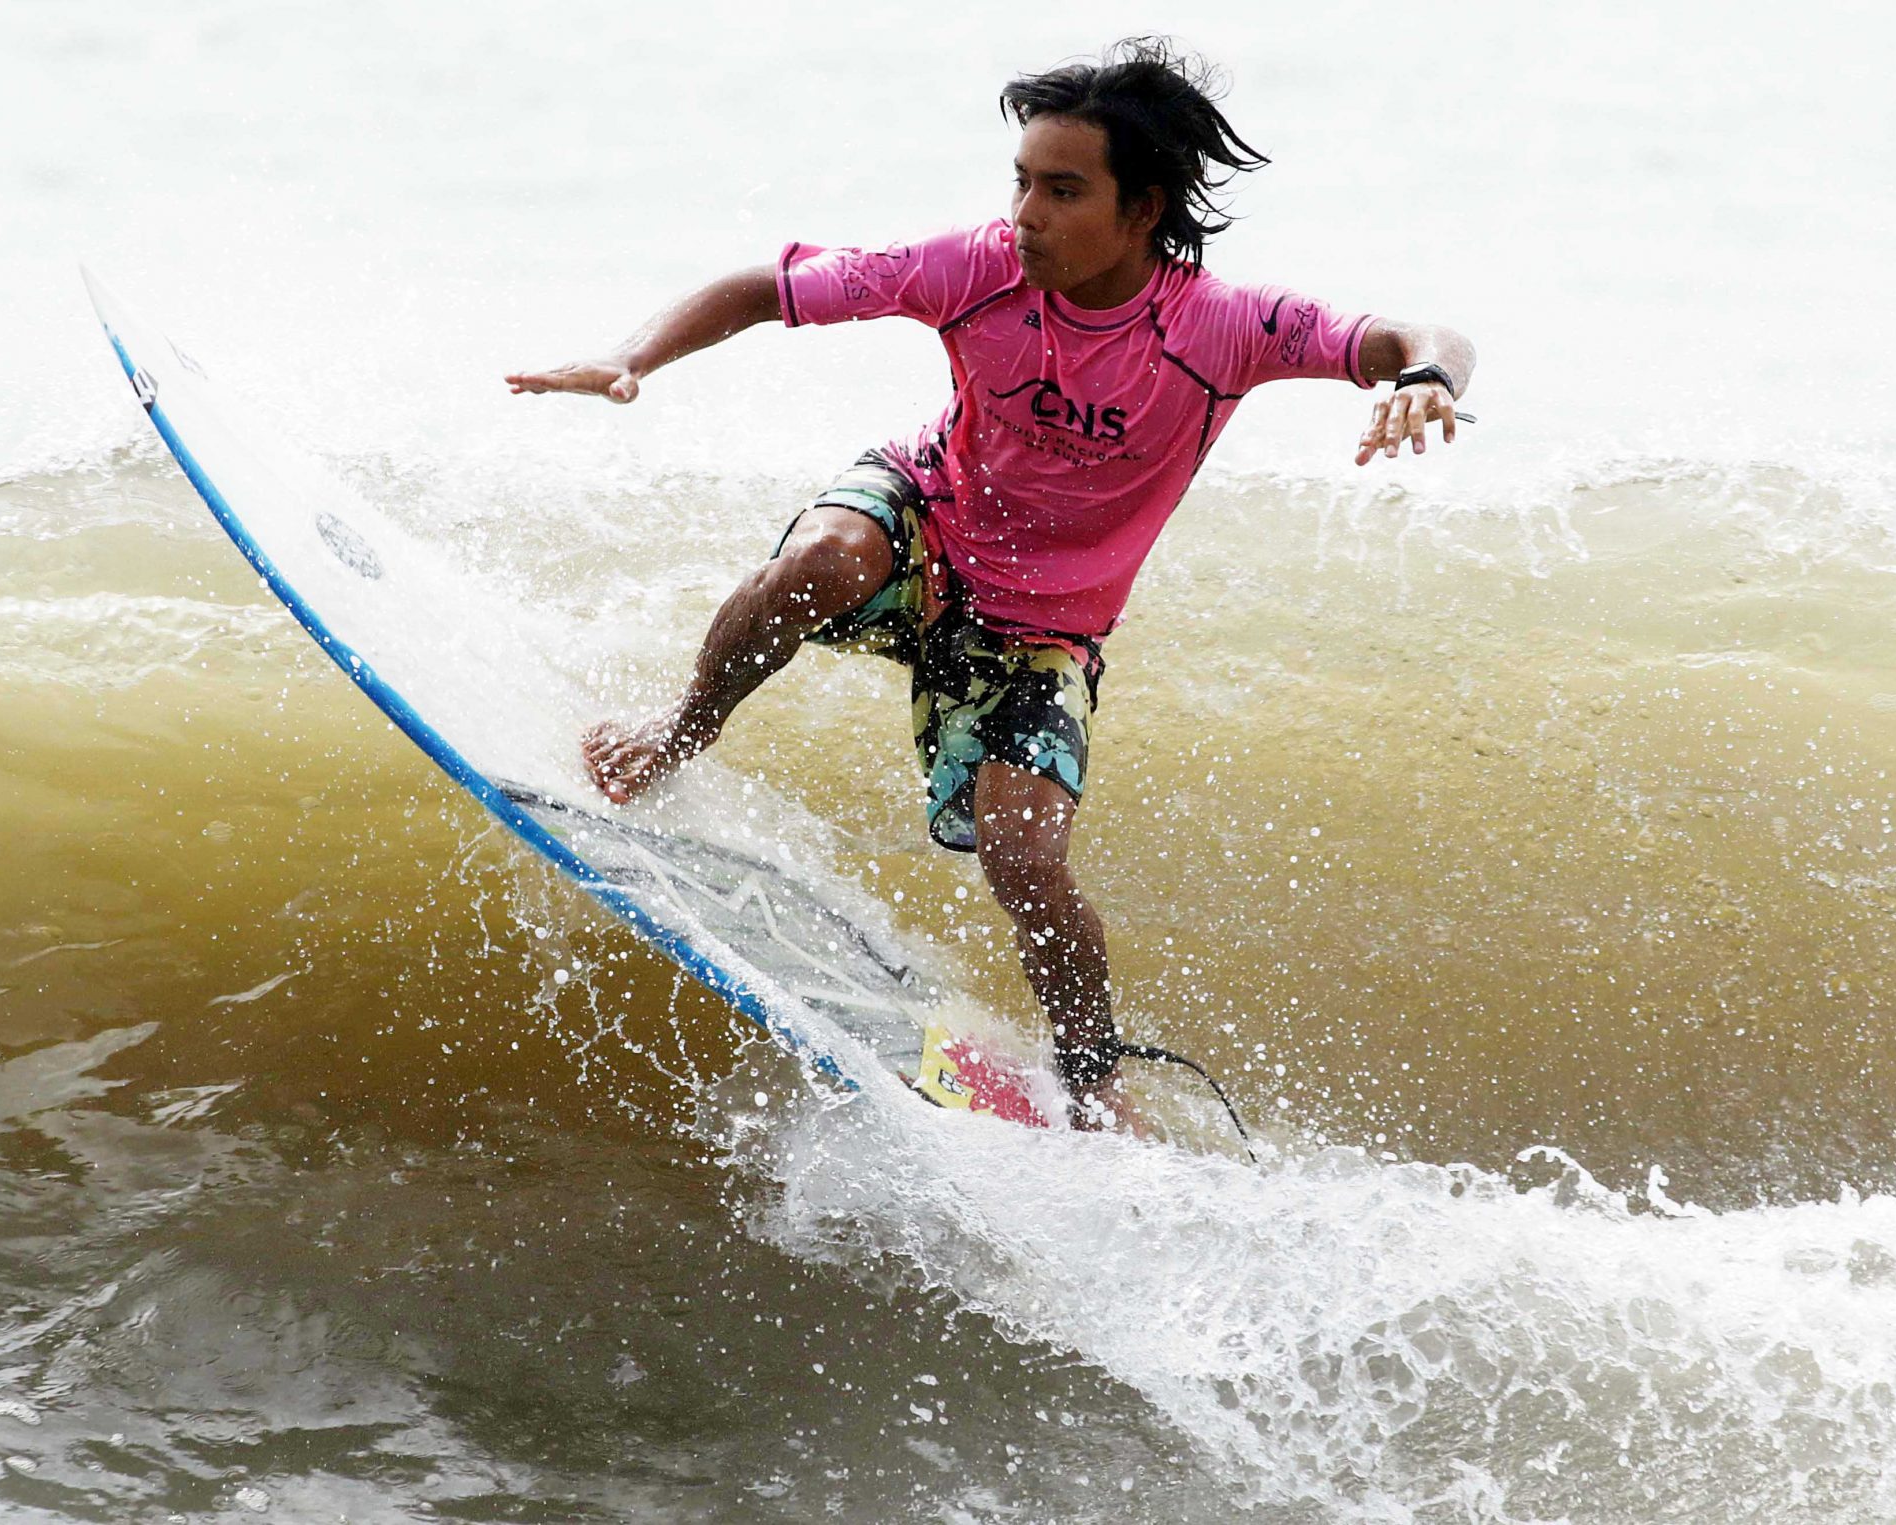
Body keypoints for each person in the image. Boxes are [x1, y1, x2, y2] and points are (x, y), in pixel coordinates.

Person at [506, 38, 1474, 1127]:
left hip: (1039, 628)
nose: (1026, 213)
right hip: (927, 517)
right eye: (1020, 181)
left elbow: (1409, 333)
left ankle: (1093, 1072)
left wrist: (1427, 376)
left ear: (1142, 207)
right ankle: (683, 726)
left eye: (1063, 191)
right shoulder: (977, 269)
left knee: (1024, 854)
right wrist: (632, 357)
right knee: (822, 560)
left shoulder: (1222, 328)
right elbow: (761, 289)